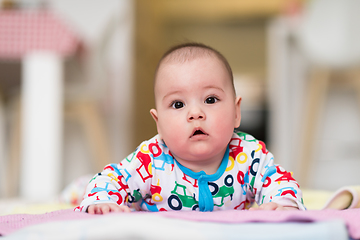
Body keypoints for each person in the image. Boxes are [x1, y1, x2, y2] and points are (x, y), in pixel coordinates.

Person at [75, 43, 306, 214]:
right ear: (159, 124)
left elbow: (278, 180)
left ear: (236, 113)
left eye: (211, 99)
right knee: (87, 188)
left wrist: (283, 203)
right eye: (178, 104)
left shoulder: (249, 155)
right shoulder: (151, 159)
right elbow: (113, 178)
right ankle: (78, 189)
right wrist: (103, 201)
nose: (195, 114)